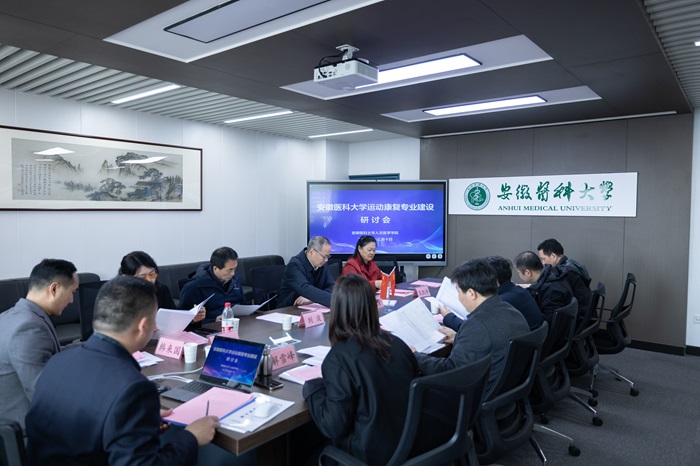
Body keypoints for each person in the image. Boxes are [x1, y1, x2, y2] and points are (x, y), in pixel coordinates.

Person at [25, 276, 219, 465]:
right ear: (143, 326)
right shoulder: (134, 388)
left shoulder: (58, 361)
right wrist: (191, 437)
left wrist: (139, 421)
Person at [303, 274, 419, 465]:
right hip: (407, 447)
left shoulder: (338, 359)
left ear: (337, 309)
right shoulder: (398, 344)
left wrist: (312, 389)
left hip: (366, 456)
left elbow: (333, 427)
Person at [415, 259, 529, 393]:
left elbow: (451, 371)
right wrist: (458, 337)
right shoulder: (512, 311)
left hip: (475, 396)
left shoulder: (477, 325)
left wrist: (414, 355)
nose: (458, 297)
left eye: (458, 291)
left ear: (471, 293)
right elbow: (490, 341)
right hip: (505, 391)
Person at [0, 258, 78, 430]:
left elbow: (49, 353)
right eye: (72, 291)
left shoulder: (13, 316)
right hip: (27, 432)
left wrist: (89, 348)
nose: (72, 300)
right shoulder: (27, 328)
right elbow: (44, 395)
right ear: (54, 289)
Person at [441, 256, 544, 332]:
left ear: (495, 280)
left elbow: (472, 330)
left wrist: (448, 317)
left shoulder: (501, 302)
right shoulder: (519, 291)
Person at [118, 251, 205, 326]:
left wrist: (193, 319)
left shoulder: (161, 290)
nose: (149, 280)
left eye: (152, 274)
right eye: (142, 277)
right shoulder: (118, 298)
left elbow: (175, 322)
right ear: (127, 278)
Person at [179, 247, 246, 324]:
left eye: (235, 268)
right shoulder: (195, 286)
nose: (233, 273)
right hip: (211, 326)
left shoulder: (235, 278)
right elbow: (184, 320)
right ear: (215, 268)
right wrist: (213, 320)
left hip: (236, 321)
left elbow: (243, 303)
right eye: (229, 270)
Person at [537, 238, 592, 321]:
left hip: (578, 318)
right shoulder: (571, 264)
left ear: (553, 256)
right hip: (585, 313)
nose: (543, 263)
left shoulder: (564, 273)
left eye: (543, 259)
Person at [514, 250, 574, 323]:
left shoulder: (550, 289)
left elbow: (549, 318)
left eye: (518, 273)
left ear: (528, 272)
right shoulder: (552, 274)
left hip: (550, 327)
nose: (519, 275)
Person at [277, 236, 335, 308]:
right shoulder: (294, 265)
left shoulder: (322, 265)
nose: (326, 260)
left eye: (328, 257)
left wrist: (312, 298)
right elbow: (305, 288)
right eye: (324, 256)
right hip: (289, 309)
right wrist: (312, 296)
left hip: (311, 308)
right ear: (312, 252)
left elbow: (332, 287)